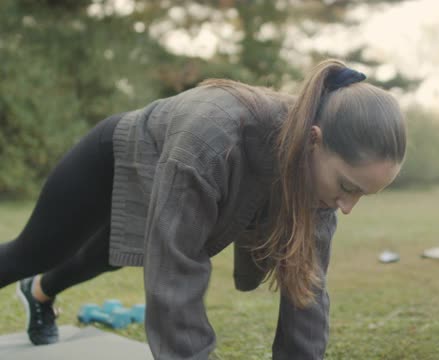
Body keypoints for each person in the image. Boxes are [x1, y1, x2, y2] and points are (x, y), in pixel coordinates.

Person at [0, 59, 407, 359]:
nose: (346, 207)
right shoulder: (212, 137)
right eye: (347, 187)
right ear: (314, 141)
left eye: (362, 196)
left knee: (105, 258)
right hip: (111, 156)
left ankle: (39, 292)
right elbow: (177, 268)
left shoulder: (319, 181)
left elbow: (307, 287)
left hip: (170, 162)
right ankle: (31, 276)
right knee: (34, 253)